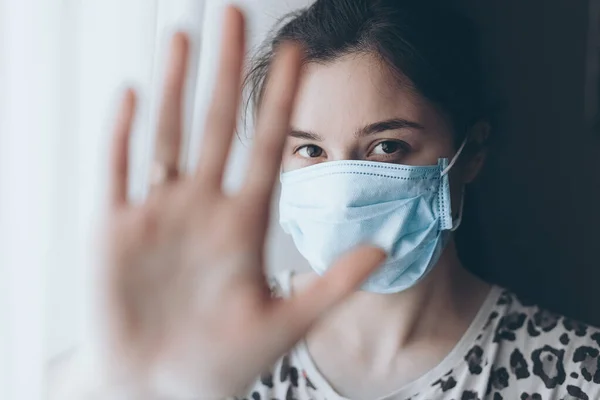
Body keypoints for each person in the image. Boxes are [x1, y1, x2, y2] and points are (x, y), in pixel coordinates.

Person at [51, 1, 600, 399]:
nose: (341, 190)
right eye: (311, 150)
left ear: (470, 152)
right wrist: (139, 388)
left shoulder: (577, 373)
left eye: (387, 146)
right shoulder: (220, 343)